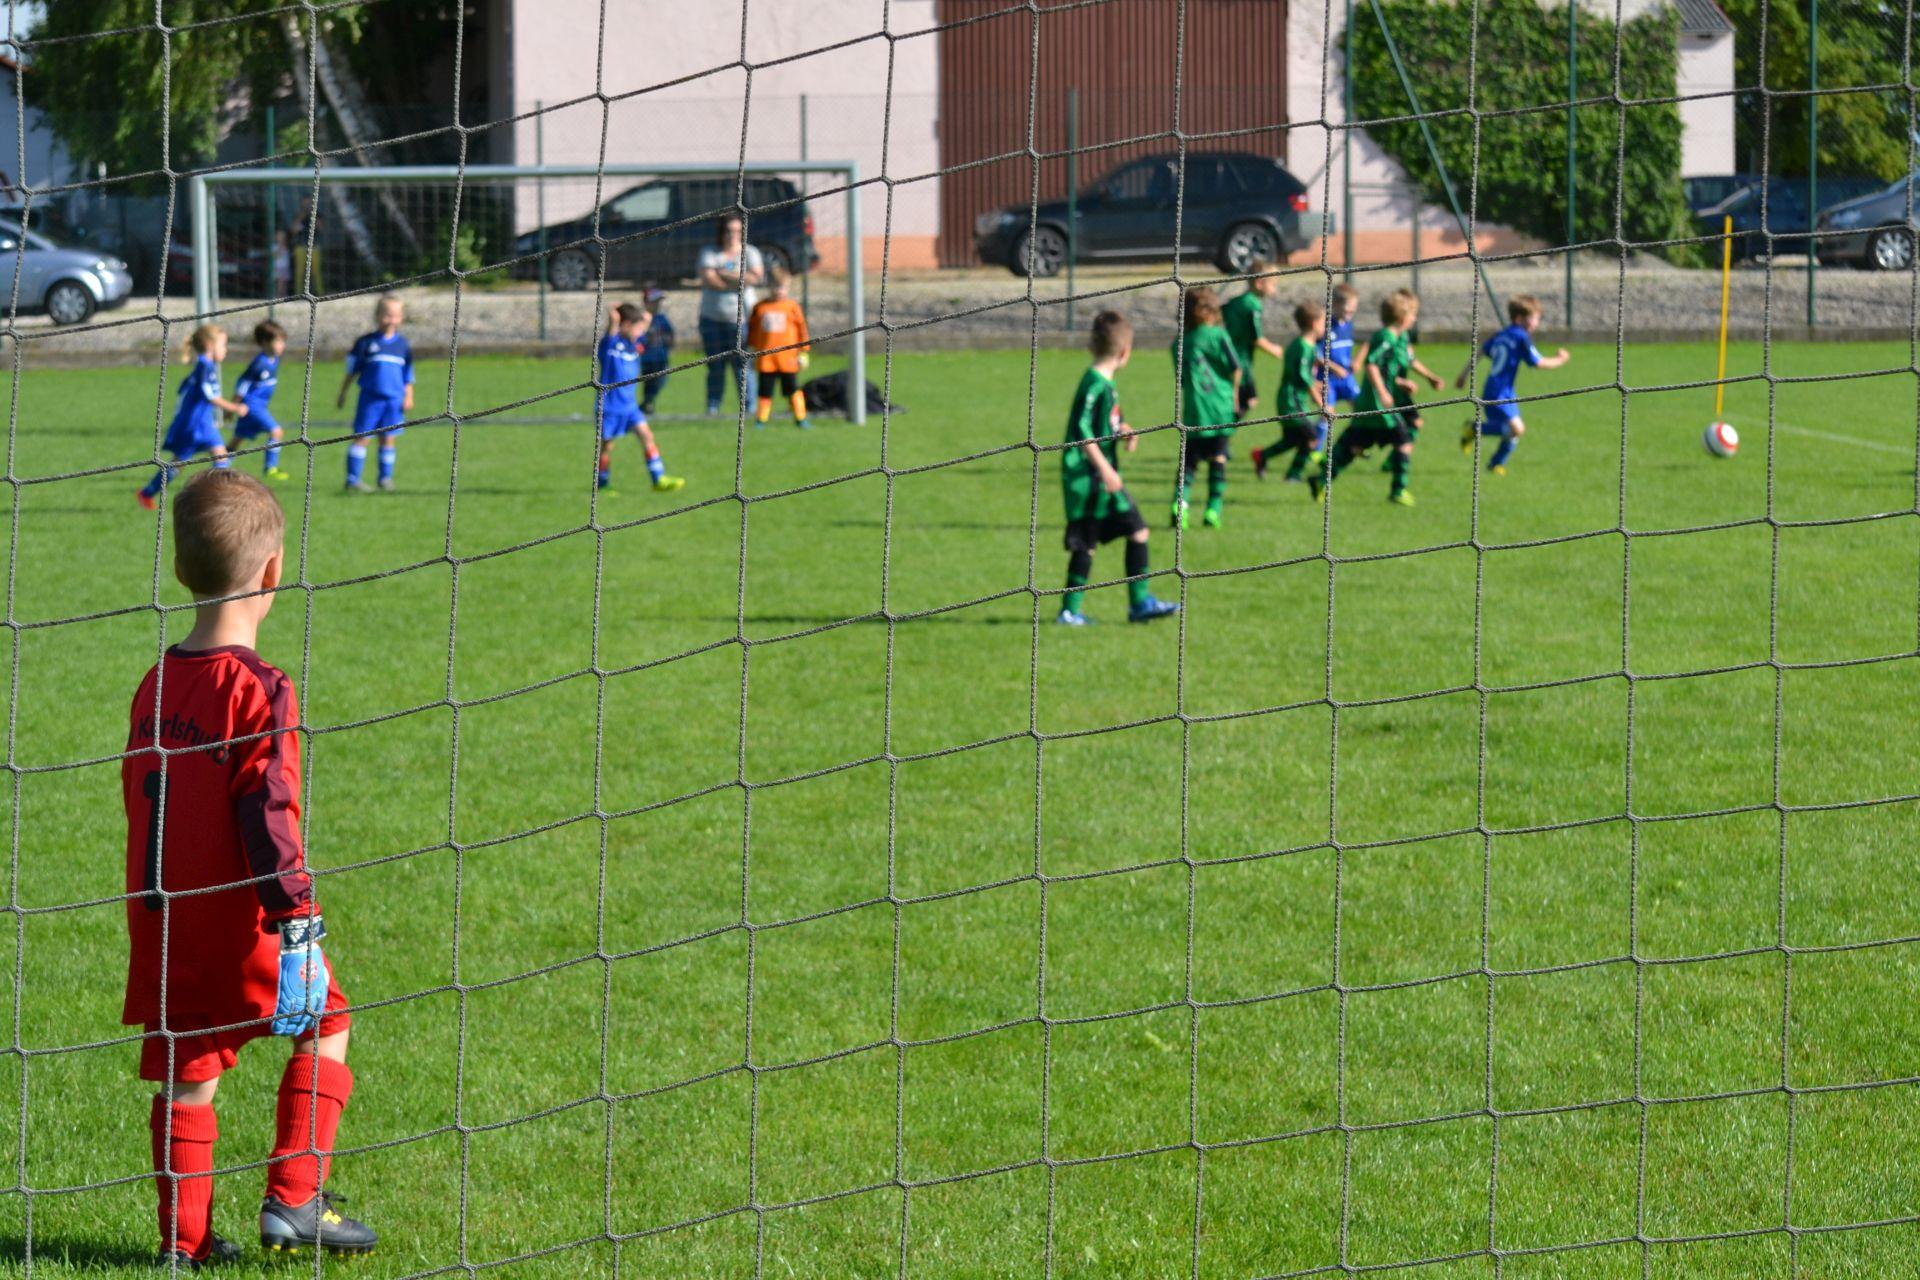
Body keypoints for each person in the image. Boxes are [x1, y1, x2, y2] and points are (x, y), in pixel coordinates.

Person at [124, 470, 377, 1265]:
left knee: (191, 1064)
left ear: (180, 569)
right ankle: (296, 1197)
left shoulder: (156, 682)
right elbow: (269, 813)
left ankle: (183, 1244)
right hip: (244, 917)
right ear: (274, 570)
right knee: (327, 1021)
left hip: (164, 918)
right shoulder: (259, 688)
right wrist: (297, 917)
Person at [1058, 310, 1179, 626]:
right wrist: (1105, 468)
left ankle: (1135, 603)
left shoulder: (1105, 384)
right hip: (1089, 477)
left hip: (1100, 476)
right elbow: (1081, 431)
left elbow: (1106, 420)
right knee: (1100, 539)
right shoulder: (1093, 384)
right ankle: (1076, 611)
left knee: (1124, 533)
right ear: (1125, 352)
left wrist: (1123, 429)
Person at [1323, 289, 1443, 506]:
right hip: (1377, 402)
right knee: (1401, 440)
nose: (1415, 318)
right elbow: (1372, 364)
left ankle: (1320, 479)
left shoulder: (1399, 336)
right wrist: (1384, 391)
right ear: (1402, 317)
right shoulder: (1385, 337)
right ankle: (1397, 489)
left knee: (1358, 443)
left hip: (1386, 399)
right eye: (1412, 314)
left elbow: (1394, 367)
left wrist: (1418, 379)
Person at [137, 324, 248, 510]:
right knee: (205, 459)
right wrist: (235, 408)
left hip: (199, 422)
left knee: (195, 460)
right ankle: (221, 496)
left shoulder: (205, 366)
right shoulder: (205, 367)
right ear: (209, 345)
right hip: (196, 425)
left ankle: (148, 492)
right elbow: (210, 396)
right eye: (223, 345)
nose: (226, 350)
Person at [1457, 293, 1571, 475]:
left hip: (1503, 391)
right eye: (1534, 319)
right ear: (1519, 318)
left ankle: (1495, 465)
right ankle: (1474, 429)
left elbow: (1481, 352)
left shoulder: (1501, 334)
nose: (1537, 323)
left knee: (1515, 431)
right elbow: (1538, 363)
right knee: (1517, 429)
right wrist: (1561, 359)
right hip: (1498, 392)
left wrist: (1463, 375)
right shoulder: (1520, 337)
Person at [1170, 285, 1242, 530]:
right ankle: (1213, 508)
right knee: (1218, 457)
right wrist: (1234, 396)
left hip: (1194, 411)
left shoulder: (1178, 344)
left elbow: (1181, 380)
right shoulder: (1219, 336)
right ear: (1212, 311)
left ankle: (1180, 505)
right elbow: (1235, 367)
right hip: (1220, 408)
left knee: (1189, 461)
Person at [597, 301, 685, 493]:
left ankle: (658, 479)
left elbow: (646, 318)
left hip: (630, 407)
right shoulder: (610, 345)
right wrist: (614, 317)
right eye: (637, 329)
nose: (641, 332)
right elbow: (614, 328)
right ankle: (602, 484)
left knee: (647, 435)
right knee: (606, 447)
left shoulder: (634, 345)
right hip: (610, 408)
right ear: (625, 325)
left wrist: (636, 313)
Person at [335, 295, 413, 493]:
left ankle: (385, 479)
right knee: (362, 437)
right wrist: (343, 393)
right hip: (370, 400)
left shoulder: (403, 345)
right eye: (387, 315)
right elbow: (351, 371)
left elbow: (407, 375)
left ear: (401, 317)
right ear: (377, 315)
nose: (391, 320)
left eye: (396, 315)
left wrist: (408, 396)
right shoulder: (365, 343)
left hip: (394, 400)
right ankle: (352, 480)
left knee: (388, 438)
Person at [1251, 301, 1328, 486]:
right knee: (1311, 438)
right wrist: (1321, 404)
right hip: (1291, 401)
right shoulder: (1301, 346)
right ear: (1314, 324)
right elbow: (1303, 378)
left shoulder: (1307, 346)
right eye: (1324, 322)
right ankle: (1294, 474)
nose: (1326, 327)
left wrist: (1317, 384)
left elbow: (1301, 375)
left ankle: (1262, 455)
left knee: (1293, 439)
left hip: (1295, 399)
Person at [696, 214, 765, 416]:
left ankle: (749, 407)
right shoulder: (709, 252)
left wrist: (725, 274)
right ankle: (713, 407)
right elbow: (709, 279)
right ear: (721, 232)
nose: (732, 235)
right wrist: (739, 280)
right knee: (715, 366)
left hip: (741, 320)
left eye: (736, 231)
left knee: (742, 365)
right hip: (711, 318)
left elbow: (755, 277)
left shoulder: (750, 252)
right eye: (728, 231)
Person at [1220, 261, 1286, 421]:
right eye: (1273, 284)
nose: (1274, 289)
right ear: (1259, 283)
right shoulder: (1253, 305)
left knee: (1243, 398)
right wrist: (1275, 350)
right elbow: (1256, 339)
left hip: (1227, 354)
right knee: (1247, 400)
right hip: (1240, 361)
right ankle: (1220, 430)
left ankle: (1221, 427)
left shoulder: (1235, 301)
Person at [747, 265, 811, 427]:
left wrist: (803, 351)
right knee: (765, 391)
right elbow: (753, 331)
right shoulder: (760, 307)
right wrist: (752, 350)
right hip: (766, 359)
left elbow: (802, 330)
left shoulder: (792, 307)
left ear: (787, 287)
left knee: (792, 389)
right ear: (768, 286)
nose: (778, 291)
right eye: (775, 286)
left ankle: (801, 418)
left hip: (788, 359)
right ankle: (761, 420)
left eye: (782, 287)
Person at [228, 321, 291, 482]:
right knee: (276, 432)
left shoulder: (273, 360)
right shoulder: (259, 364)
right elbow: (242, 387)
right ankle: (270, 468)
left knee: (237, 439)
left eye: (283, 341)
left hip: (258, 406)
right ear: (264, 342)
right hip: (252, 406)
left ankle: (219, 468)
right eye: (278, 341)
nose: (282, 345)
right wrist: (231, 407)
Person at [638, 284, 674, 416]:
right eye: (654, 301)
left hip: (661, 357)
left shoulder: (662, 319)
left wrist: (669, 345)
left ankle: (646, 403)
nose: (657, 305)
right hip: (646, 359)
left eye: (658, 301)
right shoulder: (642, 319)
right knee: (649, 383)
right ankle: (647, 405)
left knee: (661, 381)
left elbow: (670, 334)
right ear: (646, 302)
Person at [289, 197, 321, 296]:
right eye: (305, 203)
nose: (307, 205)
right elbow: (293, 230)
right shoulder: (298, 215)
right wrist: (301, 216)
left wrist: (313, 215)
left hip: (314, 247)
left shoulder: (317, 214)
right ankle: (298, 294)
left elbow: (321, 228)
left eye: (309, 202)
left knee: (316, 272)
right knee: (299, 272)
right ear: (301, 204)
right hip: (300, 246)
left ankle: (320, 293)